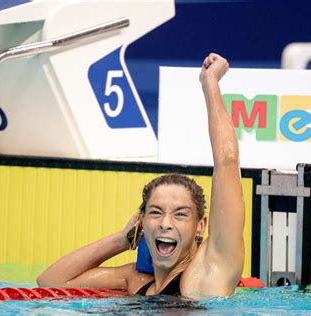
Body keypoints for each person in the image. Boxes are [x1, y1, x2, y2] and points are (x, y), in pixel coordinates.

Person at [37, 53, 245, 299]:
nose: (166, 223)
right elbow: (50, 282)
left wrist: (210, 83)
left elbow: (227, 162)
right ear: (142, 222)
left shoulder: (207, 275)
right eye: (156, 212)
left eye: (180, 214)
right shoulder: (135, 282)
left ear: (200, 226)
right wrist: (122, 240)